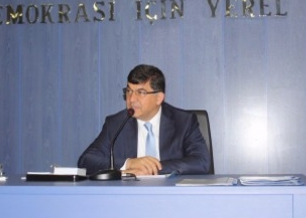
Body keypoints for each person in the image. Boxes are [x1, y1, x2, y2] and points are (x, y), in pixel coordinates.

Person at [78, 64, 210, 176]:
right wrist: (128, 163)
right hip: (129, 194)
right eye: (129, 91)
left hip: (171, 194)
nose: (131, 99)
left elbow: (201, 161)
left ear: (159, 98)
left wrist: (152, 168)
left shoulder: (183, 122)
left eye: (140, 92)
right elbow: (86, 161)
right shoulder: (116, 123)